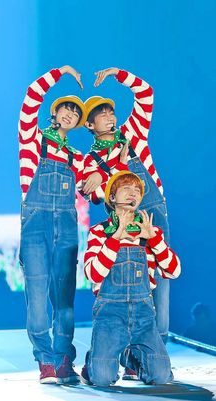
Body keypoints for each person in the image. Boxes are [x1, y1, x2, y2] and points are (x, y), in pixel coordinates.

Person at [82, 67, 171, 378]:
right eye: (101, 114)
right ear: (90, 125)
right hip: (118, 224)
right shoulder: (87, 162)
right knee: (119, 282)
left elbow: (146, 94)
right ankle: (104, 350)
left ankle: (147, 355)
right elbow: (96, 198)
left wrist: (118, 74)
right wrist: (106, 171)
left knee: (159, 283)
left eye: (110, 110)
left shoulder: (132, 131)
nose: (109, 115)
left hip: (153, 210)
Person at [18, 65, 87, 384]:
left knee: (65, 298)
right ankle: (44, 358)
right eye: (67, 107)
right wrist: (60, 72)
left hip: (67, 226)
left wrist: (101, 180)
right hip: (36, 224)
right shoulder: (33, 141)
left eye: (77, 111)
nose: (71, 113)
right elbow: (31, 98)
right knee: (37, 296)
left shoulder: (78, 157)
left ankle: (62, 359)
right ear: (54, 112)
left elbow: (99, 186)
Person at [81, 171, 181, 387]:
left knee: (161, 377)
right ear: (113, 198)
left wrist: (154, 240)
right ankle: (94, 359)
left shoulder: (150, 231)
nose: (133, 193)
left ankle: (130, 355)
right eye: (126, 188)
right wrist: (116, 238)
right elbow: (92, 273)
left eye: (137, 190)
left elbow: (173, 271)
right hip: (110, 315)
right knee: (101, 379)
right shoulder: (100, 232)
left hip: (143, 315)